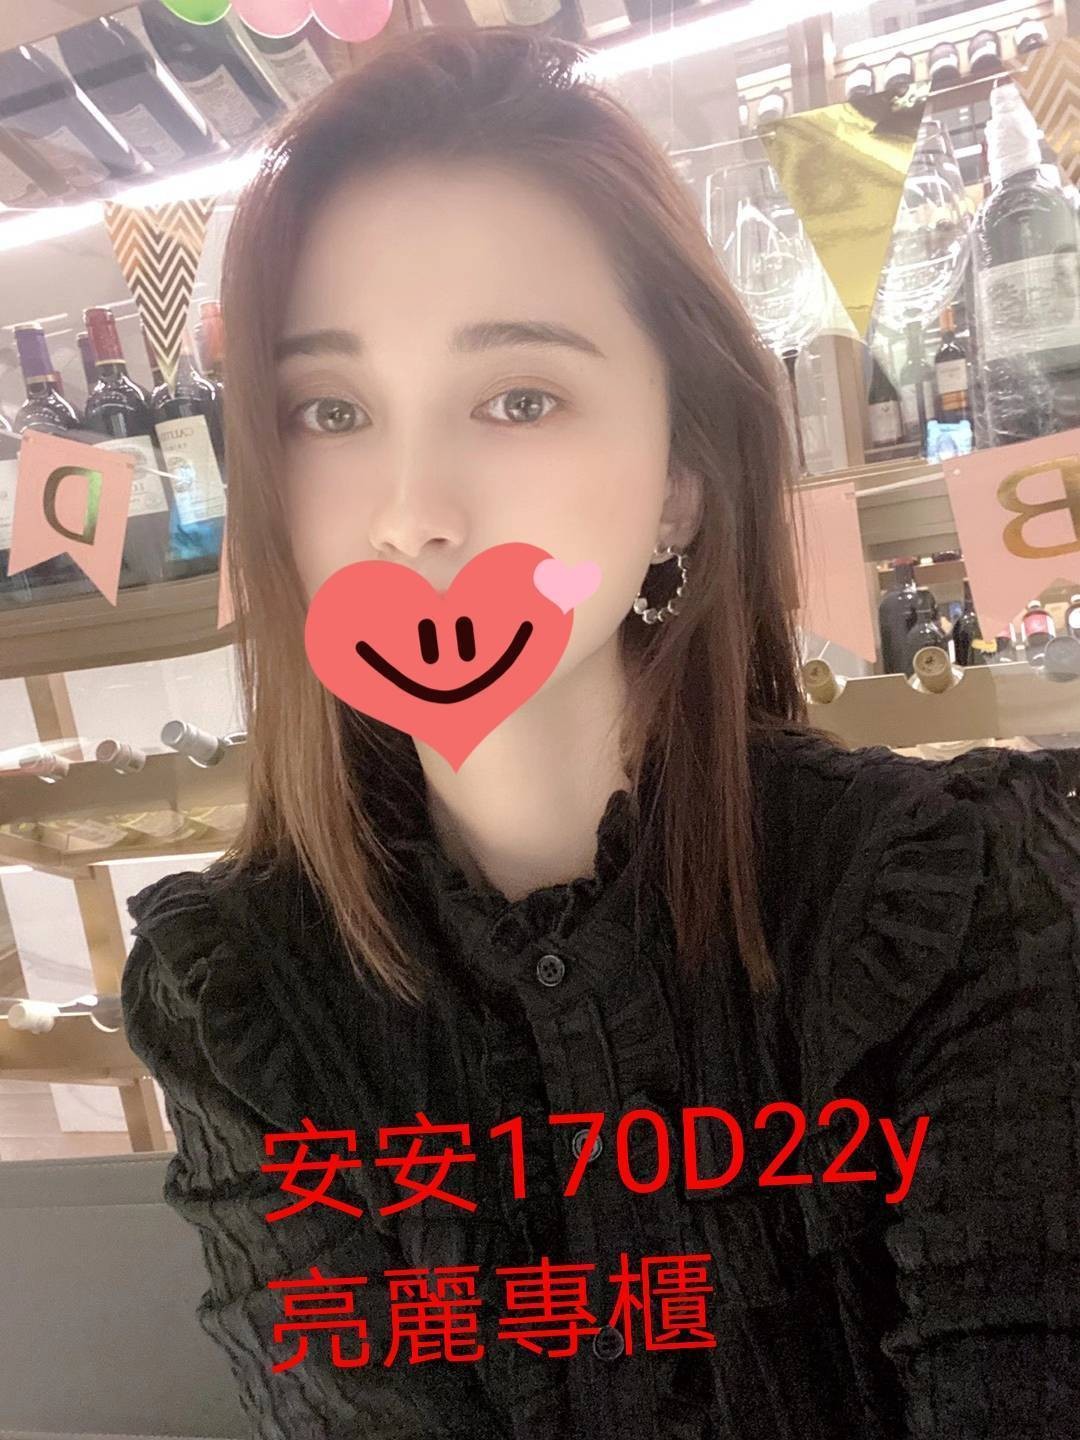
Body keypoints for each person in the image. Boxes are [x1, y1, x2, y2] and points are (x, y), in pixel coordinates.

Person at [120, 25, 1080, 1440]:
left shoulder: (959, 908)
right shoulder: (244, 996)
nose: (412, 512)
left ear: (682, 478)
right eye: (331, 409)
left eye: (520, 398)